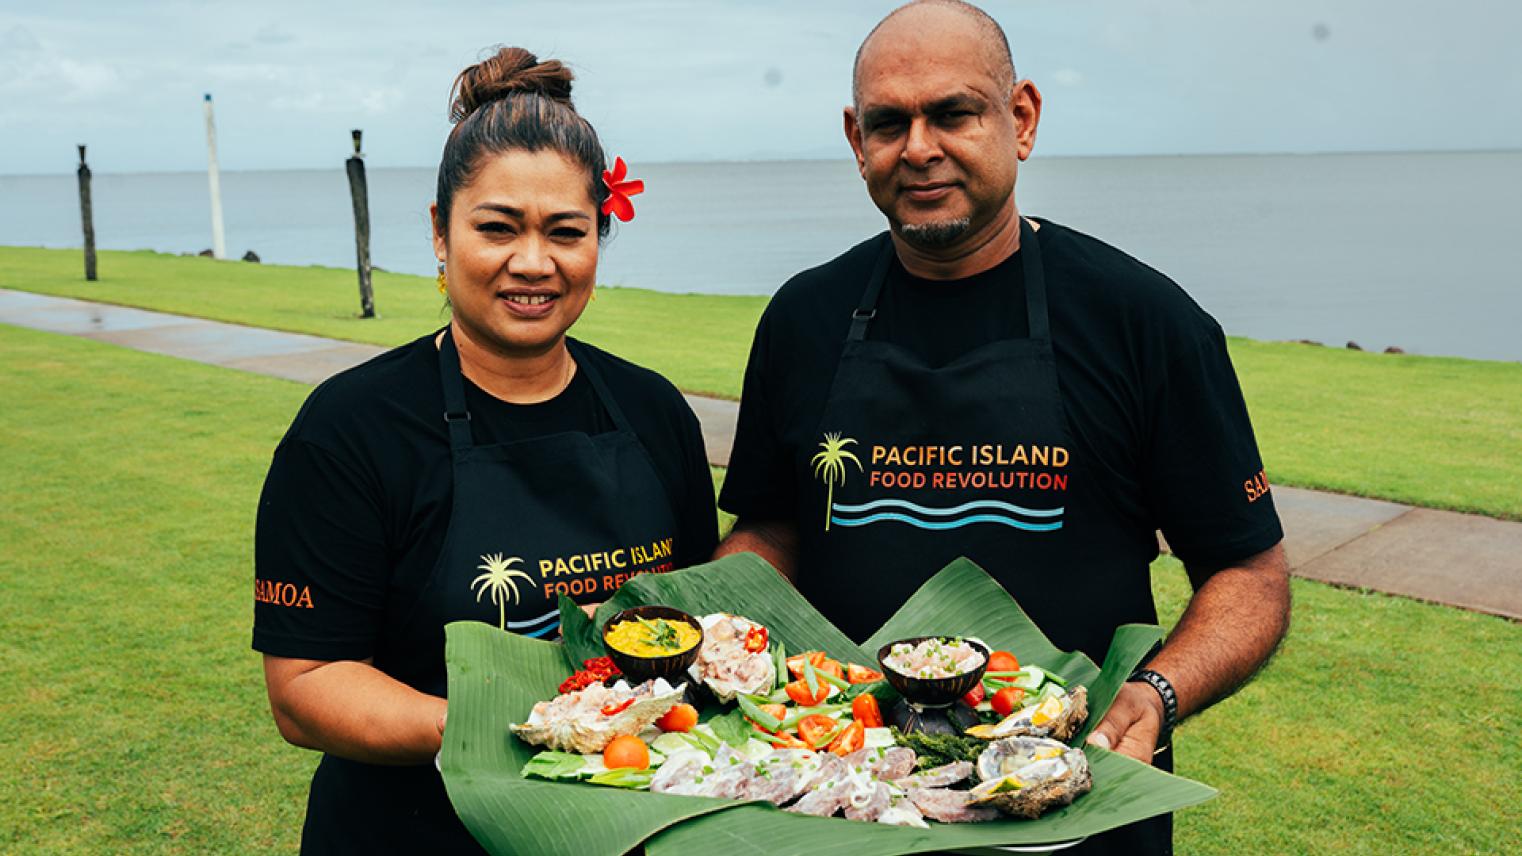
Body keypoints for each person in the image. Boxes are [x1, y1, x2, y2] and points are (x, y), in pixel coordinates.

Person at [714, 2, 1290, 852]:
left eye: (952, 113)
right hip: (848, 803)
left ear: (1020, 118)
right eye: (888, 123)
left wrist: (1156, 694)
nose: (918, 147)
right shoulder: (805, 317)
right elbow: (772, 524)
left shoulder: (1143, 320)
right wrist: (724, 626)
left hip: (1074, 806)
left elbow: (1250, 570)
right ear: (854, 138)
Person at [252, 47, 717, 853]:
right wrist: (534, 731)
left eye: (565, 231)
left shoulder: (653, 410)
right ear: (440, 231)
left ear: (599, 237)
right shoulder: (350, 430)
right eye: (497, 228)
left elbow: (688, 624)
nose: (532, 263)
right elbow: (306, 689)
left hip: (623, 828)